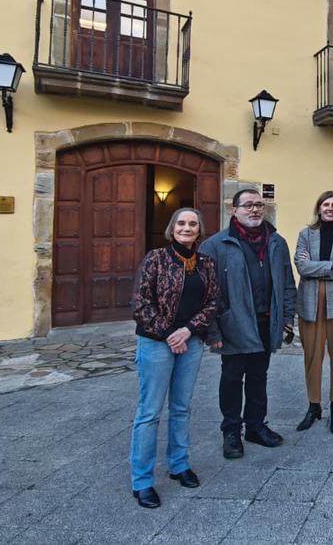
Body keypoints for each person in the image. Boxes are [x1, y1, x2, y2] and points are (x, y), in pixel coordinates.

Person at [129, 208, 222, 509]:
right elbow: (141, 303)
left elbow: (212, 303)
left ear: (199, 230)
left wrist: (188, 331)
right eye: (181, 223)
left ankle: (179, 464)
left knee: (181, 407)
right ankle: (142, 481)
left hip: (190, 342)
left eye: (193, 224)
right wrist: (171, 333)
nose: (186, 228)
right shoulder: (155, 259)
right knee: (150, 412)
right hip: (156, 343)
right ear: (172, 228)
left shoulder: (206, 263)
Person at [198, 188, 297, 459]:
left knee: (259, 376)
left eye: (259, 205)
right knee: (232, 378)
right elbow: (207, 294)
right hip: (233, 324)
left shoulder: (277, 242)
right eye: (248, 205)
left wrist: (287, 319)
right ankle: (231, 431)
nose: (254, 209)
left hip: (265, 322)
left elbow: (288, 283)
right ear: (234, 210)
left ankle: (255, 426)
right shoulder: (215, 245)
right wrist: (213, 331)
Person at [294, 190, 333, 435]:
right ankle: (313, 406)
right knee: (312, 355)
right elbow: (302, 267)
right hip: (310, 301)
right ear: (319, 208)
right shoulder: (305, 234)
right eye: (326, 205)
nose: (330, 208)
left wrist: (318, 268)